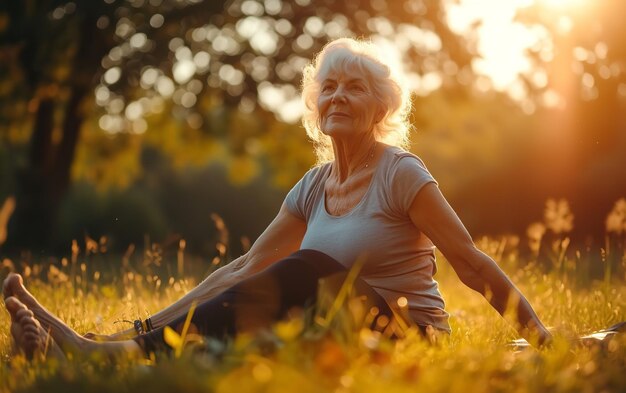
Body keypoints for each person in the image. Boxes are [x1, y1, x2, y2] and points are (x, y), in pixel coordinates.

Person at [3, 37, 552, 361]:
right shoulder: (312, 186)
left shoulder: (401, 173)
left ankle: (106, 354)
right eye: (329, 88)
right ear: (316, 107)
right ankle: (113, 347)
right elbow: (246, 266)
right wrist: (144, 324)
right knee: (250, 321)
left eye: (355, 87)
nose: (338, 95)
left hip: (412, 338)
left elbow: (471, 265)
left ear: (381, 109)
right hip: (332, 336)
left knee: (310, 267)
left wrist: (541, 338)